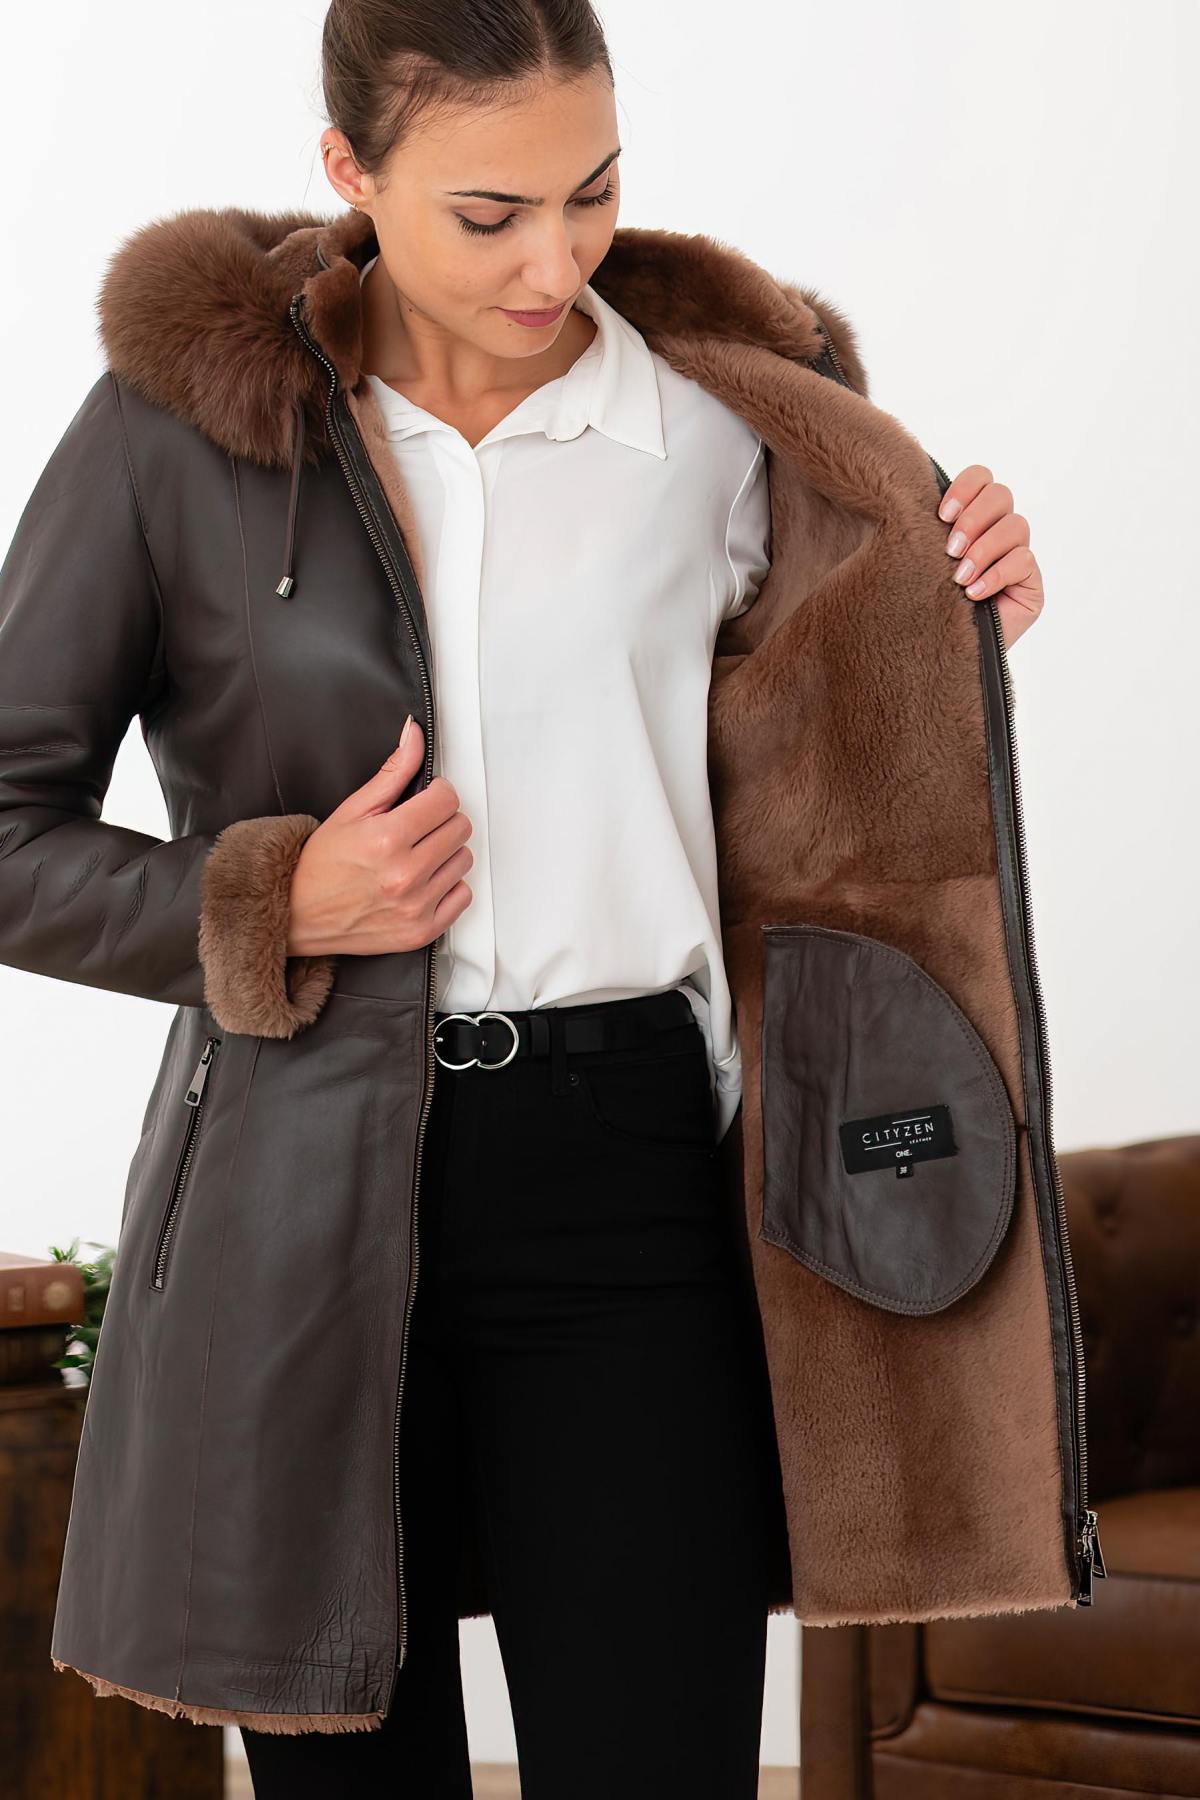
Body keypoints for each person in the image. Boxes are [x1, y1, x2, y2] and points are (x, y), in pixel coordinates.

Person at [2, 2, 1083, 1796]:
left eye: (592, 194)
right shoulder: (183, 433)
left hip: (626, 1177)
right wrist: (273, 897)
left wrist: (954, 624)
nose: (554, 261)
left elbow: (831, 779)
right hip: (298, 1176)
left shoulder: (717, 421)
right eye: (489, 213)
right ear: (349, 172)